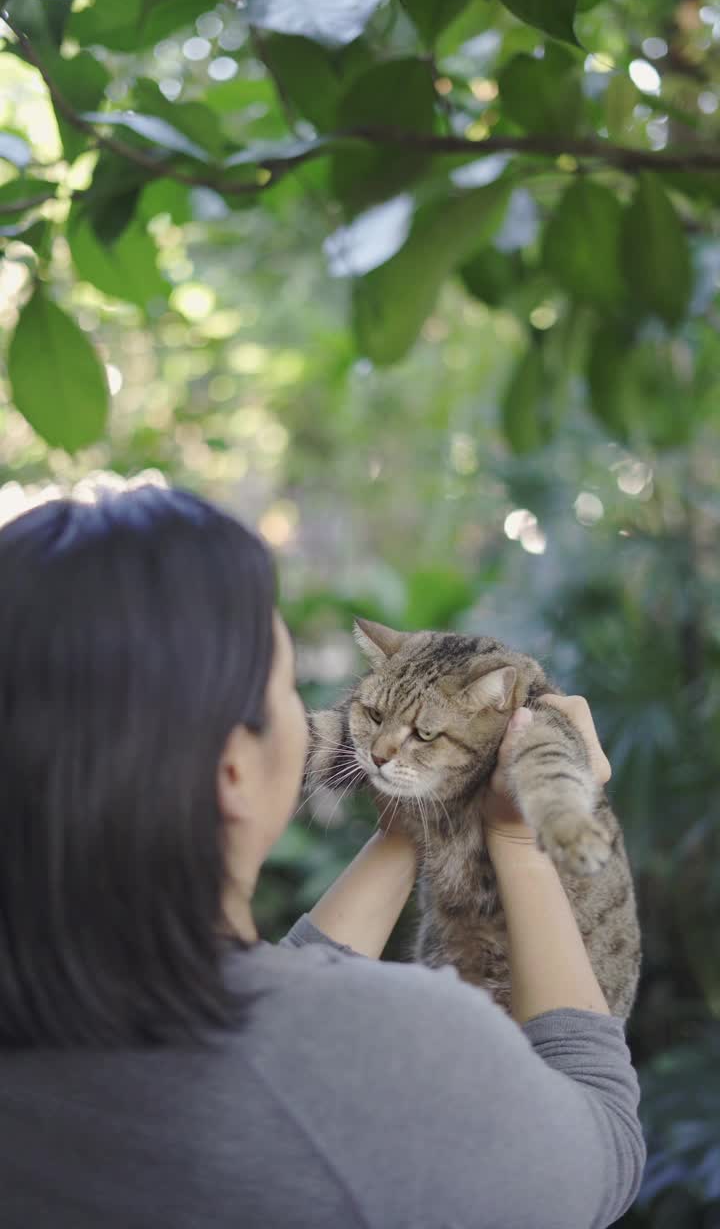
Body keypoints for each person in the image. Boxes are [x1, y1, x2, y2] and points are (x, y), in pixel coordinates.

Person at [0, 485, 645, 1229]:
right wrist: (519, 846)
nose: (368, 741)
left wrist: (418, 818)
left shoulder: (50, 1031)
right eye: (283, 687)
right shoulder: (398, 1052)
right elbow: (604, 1145)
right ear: (233, 768)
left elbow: (267, 992)